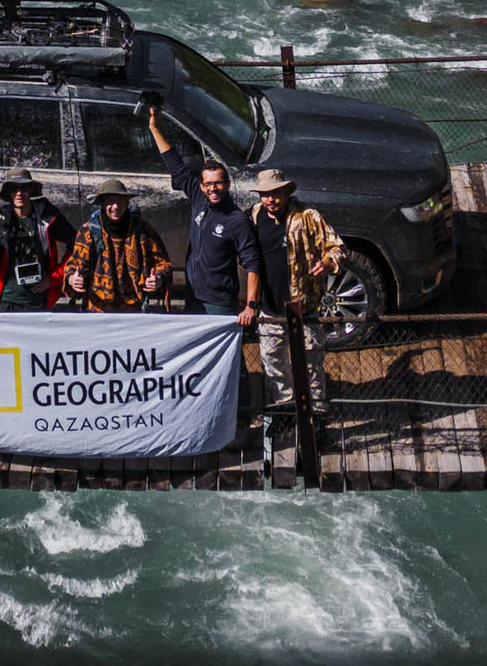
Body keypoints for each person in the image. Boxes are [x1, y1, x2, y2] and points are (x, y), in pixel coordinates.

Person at [140, 98, 261, 332]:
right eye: (209, 184)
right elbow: (176, 165)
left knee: (225, 350)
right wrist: (155, 128)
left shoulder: (236, 220)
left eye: (218, 183)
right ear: (202, 186)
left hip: (219, 303)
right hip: (193, 295)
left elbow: (252, 264)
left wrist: (250, 306)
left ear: (227, 184)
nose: (213, 189)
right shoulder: (199, 198)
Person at [247, 165, 343, 442]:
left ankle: (317, 419)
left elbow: (336, 247)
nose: (270, 200)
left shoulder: (307, 216)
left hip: (304, 307)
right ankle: (286, 411)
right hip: (269, 308)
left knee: (311, 365)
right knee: (272, 363)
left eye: (275, 194)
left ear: (286, 193)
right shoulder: (254, 216)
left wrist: (328, 262)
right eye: (265, 195)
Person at [64, 180, 174, 313]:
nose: (115, 206)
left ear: (127, 202)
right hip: (97, 309)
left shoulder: (142, 230)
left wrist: (158, 279)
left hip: (133, 309)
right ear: (103, 203)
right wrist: (72, 279)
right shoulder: (89, 231)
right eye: (110, 201)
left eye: (120, 201)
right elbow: (73, 267)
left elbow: (163, 264)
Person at [0, 173, 70, 310]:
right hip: (5, 300)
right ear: (9, 193)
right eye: (14, 189)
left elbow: (77, 247)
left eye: (24, 189)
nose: (19, 194)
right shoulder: (0, 219)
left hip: (38, 301)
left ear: (31, 190)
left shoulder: (47, 216)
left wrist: (54, 278)